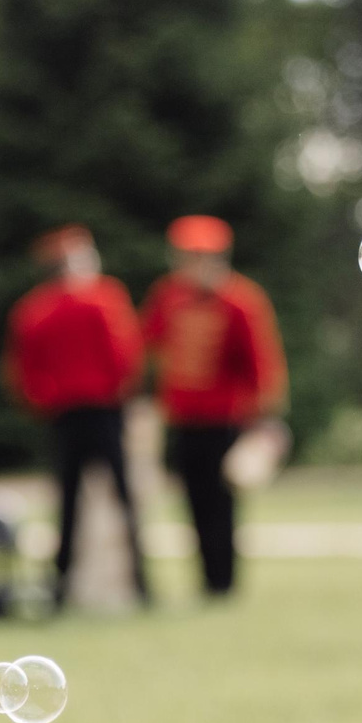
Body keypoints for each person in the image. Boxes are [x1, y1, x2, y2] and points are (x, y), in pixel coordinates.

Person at [139, 215, 287, 598]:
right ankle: (205, 579)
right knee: (193, 501)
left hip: (225, 419)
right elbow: (146, 342)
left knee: (222, 505)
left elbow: (261, 363)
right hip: (184, 418)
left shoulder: (240, 300)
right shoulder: (169, 296)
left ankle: (223, 582)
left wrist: (264, 419)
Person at [3, 224, 148, 606]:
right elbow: (125, 354)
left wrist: (44, 400)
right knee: (122, 497)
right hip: (102, 410)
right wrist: (119, 393)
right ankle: (141, 583)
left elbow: (22, 371)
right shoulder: (102, 298)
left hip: (64, 415)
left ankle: (62, 587)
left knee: (67, 504)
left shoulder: (33, 309)